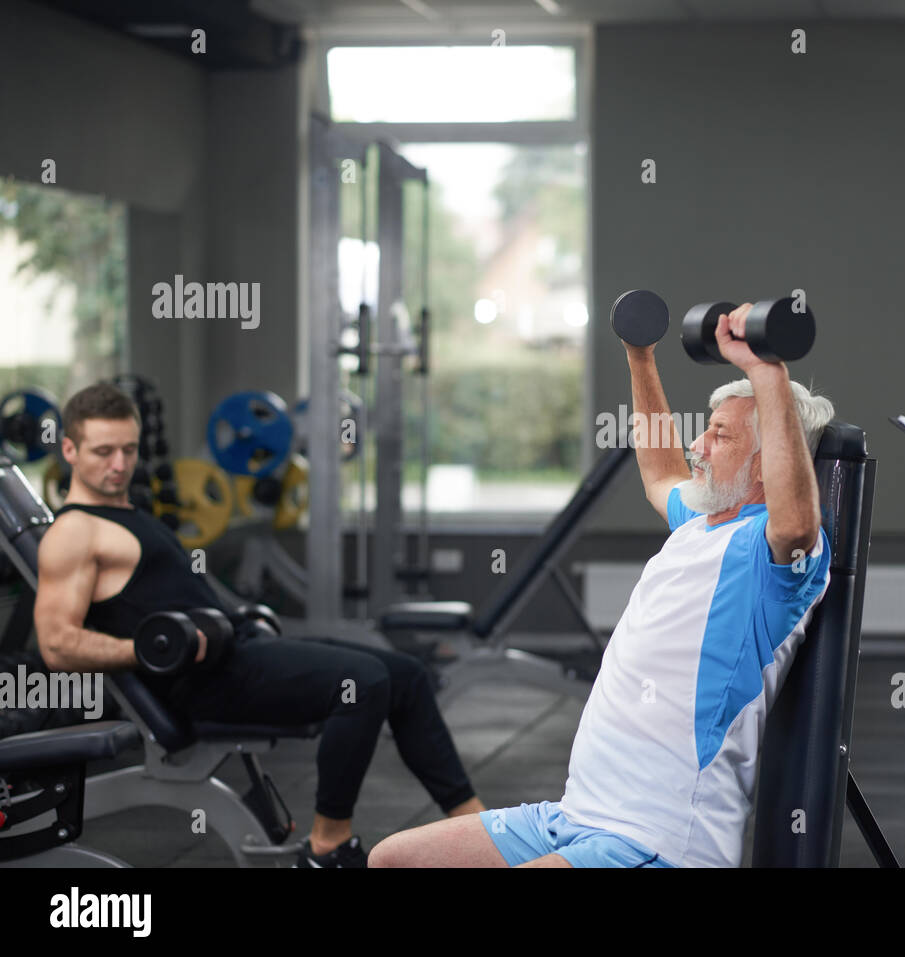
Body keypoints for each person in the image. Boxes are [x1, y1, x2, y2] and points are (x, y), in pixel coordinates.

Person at [369, 303, 834, 867]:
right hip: (572, 818)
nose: (698, 448)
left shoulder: (770, 555)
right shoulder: (703, 521)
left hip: (654, 841)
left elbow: (795, 522)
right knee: (393, 860)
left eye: (719, 437)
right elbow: (661, 472)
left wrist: (768, 373)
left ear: (765, 466)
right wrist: (641, 356)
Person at [33, 382, 485, 868]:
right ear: (69, 450)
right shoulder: (74, 531)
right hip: (201, 682)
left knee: (406, 676)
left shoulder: (124, 512)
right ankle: (328, 846)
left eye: (128, 450)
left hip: (236, 652)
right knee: (363, 682)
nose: (119, 464)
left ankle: (478, 827)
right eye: (103, 452)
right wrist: (154, 650)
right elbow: (57, 646)